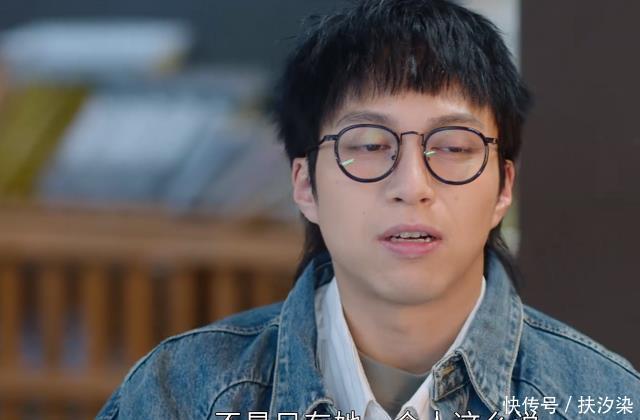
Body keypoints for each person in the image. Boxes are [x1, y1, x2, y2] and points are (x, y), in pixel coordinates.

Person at [97, 1, 640, 419]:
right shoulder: (177, 394)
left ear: (504, 188)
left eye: (453, 147)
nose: (412, 185)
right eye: (370, 145)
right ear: (305, 185)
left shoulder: (604, 399)